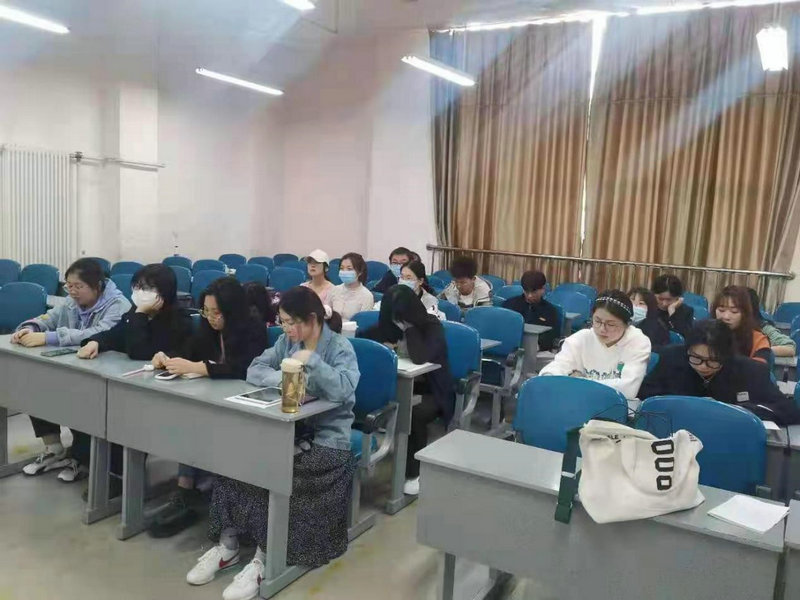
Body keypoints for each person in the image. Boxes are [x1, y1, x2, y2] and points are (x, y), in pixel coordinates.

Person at [186, 287, 357, 599]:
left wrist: (312, 363)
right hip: (283, 430)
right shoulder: (286, 342)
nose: (286, 329)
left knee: (278, 472)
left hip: (327, 439)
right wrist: (284, 379)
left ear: (312, 319)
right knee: (233, 462)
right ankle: (228, 545)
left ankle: (264, 557)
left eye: (291, 322)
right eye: (282, 322)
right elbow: (255, 368)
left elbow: (344, 390)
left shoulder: (340, 348)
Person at [149, 277, 268, 538]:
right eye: (206, 311)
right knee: (190, 417)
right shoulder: (206, 326)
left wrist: (199, 368)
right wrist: (167, 357)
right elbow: (189, 351)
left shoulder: (253, 328)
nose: (211, 318)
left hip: (243, 404)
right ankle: (185, 489)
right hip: (212, 398)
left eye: (217, 312)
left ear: (232, 310)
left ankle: (217, 492)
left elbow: (245, 368)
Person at [11, 257, 130, 481]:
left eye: (78, 286)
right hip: (71, 364)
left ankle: (82, 458)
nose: (72, 292)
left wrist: (49, 337)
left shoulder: (118, 305)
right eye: (69, 286)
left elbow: (99, 332)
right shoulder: (71, 301)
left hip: (103, 371)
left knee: (82, 403)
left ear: (97, 286)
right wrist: (30, 328)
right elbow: (49, 318)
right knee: (35, 386)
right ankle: (54, 449)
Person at [359, 285, 453, 496]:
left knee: (414, 413)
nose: (397, 322)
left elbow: (420, 357)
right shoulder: (388, 324)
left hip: (431, 390)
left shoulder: (432, 326)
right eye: (394, 317)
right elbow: (364, 340)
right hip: (396, 388)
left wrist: (409, 328)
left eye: (401, 317)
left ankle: (413, 473)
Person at [639, 320, 800, 425]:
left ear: (727, 356)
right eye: (696, 358)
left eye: (713, 360)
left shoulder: (751, 371)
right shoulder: (671, 358)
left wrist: (741, 411)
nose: (703, 366)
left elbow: (789, 410)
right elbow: (645, 393)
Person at [539, 290, 651, 400]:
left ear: (627, 324)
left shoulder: (638, 342)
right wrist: (551, 377)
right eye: (597, 321)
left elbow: (628, 389)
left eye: (611, 324)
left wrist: (578, 381)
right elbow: (553, 371)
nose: (602, 329)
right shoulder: (581, 338)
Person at [78, 264, 193, 360]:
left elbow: (139, 351)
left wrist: (141, 313)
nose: (139, 292)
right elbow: (114, 335)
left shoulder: (179, 319)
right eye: (136, 287)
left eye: (147, 288)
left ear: (165, 291)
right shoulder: (134, 312)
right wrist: (95, 342)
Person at [502, 270, 560, 350]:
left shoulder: (550, 310)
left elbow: (552, 336)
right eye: (526, 291)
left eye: (534, 292)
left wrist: (537, 346)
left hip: (538, 349)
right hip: (510, 347)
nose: (529, 296)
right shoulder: (509, 305)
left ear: (543, 289)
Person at [711, 285, 770, 364]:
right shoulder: (705, 333)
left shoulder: (758, 339)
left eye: (734, 312)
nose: (726, 317)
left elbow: (760, 367)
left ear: (745, 314)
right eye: (721, 310)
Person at [747, 288, 796, 357]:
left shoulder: (763, 327)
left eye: (734, 311)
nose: (730, 316)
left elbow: (789, 348)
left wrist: (760, 350)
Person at [328, 252, 374, 320]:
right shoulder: (335, 290)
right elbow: (327, 314)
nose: (344, 272)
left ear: (360, 272)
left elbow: (363, 322)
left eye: (349, 269)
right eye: (342, 268)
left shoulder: (367, 296)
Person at [652, 274, 694, 339]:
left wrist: (672, 314)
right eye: (660, 299)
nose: (664, 303)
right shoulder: (649, 309)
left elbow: (683, 338)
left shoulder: (686, 312)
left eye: (669, 300)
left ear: (678, 298)